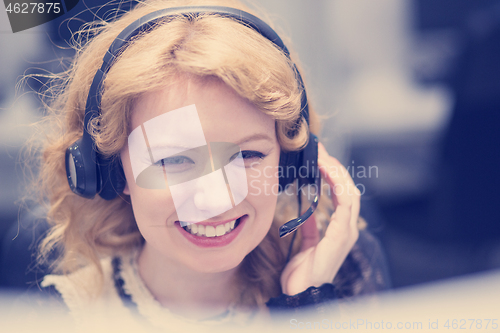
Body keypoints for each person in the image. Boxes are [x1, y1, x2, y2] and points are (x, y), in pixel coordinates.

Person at [32, 0, 389, 327]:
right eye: (173, 159)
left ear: (291, 161)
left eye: (248, 155)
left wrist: (308, 304)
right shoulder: (65, 313)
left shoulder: (340, 271)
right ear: (110, 169)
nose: (216, 201)